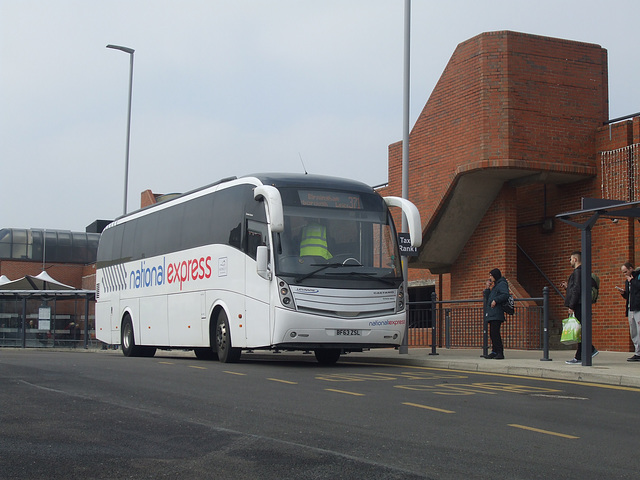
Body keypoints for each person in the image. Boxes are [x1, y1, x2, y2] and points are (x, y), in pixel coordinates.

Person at [560, 251, 598, 364]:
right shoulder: (583, 272)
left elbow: (577, 289)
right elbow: (577, 288)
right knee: (580, 331)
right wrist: (568, 288)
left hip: (579, 305)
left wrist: (571, 305)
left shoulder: (577, 272)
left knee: (580, 331)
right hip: (582, 304)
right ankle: (581, 355)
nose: (570, 261)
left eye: (571, 259)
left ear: (575, 259)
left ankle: (587, 351)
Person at [483, 268, 508, 359]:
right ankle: (494, 351)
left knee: (495, 333)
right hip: (492, 313)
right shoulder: (495, 286)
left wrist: (496, 300)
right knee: (492, 333)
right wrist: (487, 288)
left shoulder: (502, 284)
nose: (490, 277)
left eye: (491, 275)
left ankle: (500, 352)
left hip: (497, 312)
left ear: (495, 276)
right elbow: (488, 297)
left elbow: (505, 294)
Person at [617, 262, 640, 362]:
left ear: (631, 268)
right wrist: (623, 293)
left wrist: (632, 281)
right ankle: (637, 352)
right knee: (633, 331)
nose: (625, 274)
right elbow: (629, 295)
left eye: (626, 271)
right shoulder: (627, 281)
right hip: (631, 307)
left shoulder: (637, 277)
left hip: (638, 308)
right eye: (623, 272)